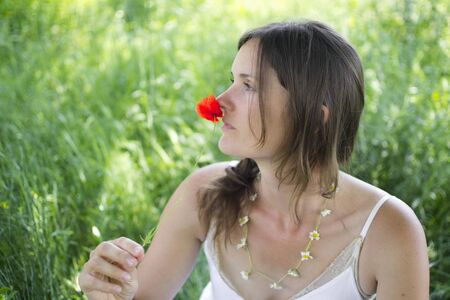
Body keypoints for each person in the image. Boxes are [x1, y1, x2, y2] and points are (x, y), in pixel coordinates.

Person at [78, 20, 429, 300]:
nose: (221, 100)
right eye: (233, 80)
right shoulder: (205, 193)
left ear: (315, 115)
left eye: (248, 86)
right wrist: (109, 291)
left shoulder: (388, 231)